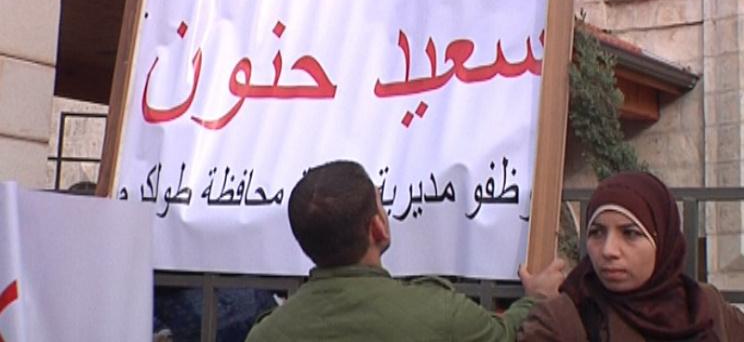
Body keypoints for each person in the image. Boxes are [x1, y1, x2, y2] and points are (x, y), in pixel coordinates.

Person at [246, 160, 566, 342]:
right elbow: (509, 335)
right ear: (377, 228)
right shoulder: (440, 313)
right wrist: (538, 299)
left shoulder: (265, 335)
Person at [518, 171, 744, 341]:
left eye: (630, 234)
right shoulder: (561, 321)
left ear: (662, 243)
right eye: (597, 232)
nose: (608, 250)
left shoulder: (704, 305)